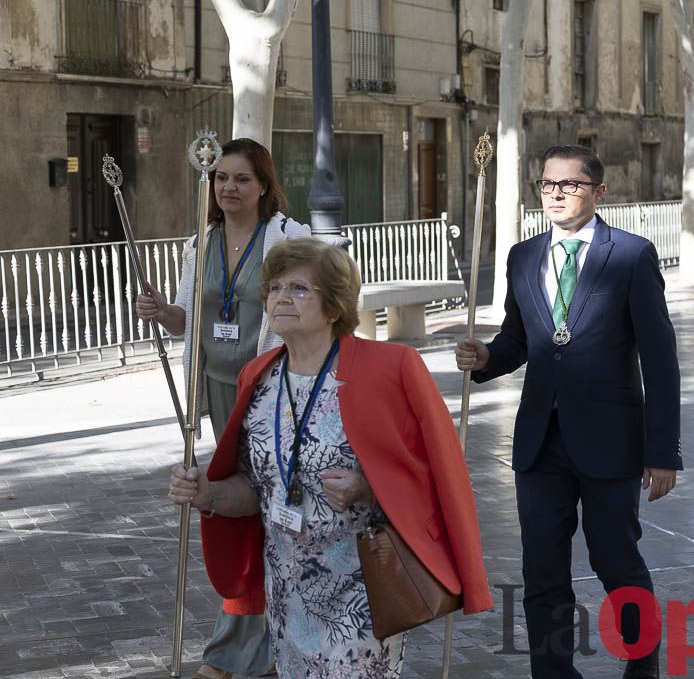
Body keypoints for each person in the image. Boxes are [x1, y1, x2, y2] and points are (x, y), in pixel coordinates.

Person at [167, 240, 492, 676]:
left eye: (300, 288)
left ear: (335, 305)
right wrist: (207, 492)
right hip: (288, 593)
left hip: (363, 588)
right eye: (275, 287)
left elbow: (436, 473)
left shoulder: (391, 367)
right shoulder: (258, 377)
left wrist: (367, 487)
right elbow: (256, 490)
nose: (281, 297)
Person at [454, 145, 681, 679]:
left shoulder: (630, 255)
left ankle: (642, 661)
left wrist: (663, 450)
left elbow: (660, 358)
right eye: (548, 185)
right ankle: (553, 673)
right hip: (540, 442)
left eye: (570, 185)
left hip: (610, 440)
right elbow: (518, 338)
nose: (556, 194)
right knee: (543, 571)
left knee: (615, 561)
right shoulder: (523, 256)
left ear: (599, 192)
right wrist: (486, 357)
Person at [137, 137, 308, 679]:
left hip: (269, 391)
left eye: (240, 178)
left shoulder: (287, 238)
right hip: (215, 390)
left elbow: (311, 306)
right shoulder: (201, 242)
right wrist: (163, 312)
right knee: (245, 506)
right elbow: (190, 319)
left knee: (262, 508)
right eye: (221, 179)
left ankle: (244, 643)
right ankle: (253, 640)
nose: (229, 188)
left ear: (263, 185)